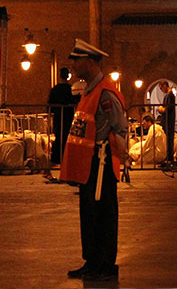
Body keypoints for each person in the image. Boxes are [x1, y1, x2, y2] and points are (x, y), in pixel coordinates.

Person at [62, 39, 128, 282]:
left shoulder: (105, 93)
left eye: (77, 60)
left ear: (90, 61)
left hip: (102, 163)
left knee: (103, 213)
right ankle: (92, 260)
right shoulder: (88, 90)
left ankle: (104, 264)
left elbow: (120, 127)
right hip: (89, 164)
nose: (74, 65)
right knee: (90, 213)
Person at [49, 67, 78, 166]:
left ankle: (57, 159)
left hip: (58, 117)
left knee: (58, 137)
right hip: (68, 117)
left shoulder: (55, 89)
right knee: (68, 137)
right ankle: (67, 159)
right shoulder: (71, 89)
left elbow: (50, 104)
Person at [157, 80, 176, 162]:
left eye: (161, 88)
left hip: (169, 121)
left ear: (165, 85)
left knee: (169, 140)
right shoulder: (168, 95)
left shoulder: (170, 95)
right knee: (168, 140)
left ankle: (169, 158)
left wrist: (161, 109)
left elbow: (168, 108)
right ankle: (168, 157)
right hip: (167, 120)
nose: (161, 90)